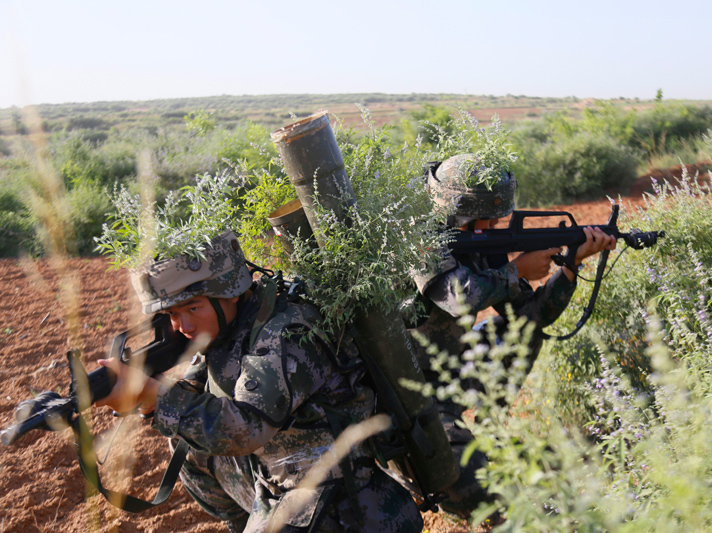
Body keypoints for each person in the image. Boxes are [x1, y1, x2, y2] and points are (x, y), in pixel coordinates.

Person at [95, 230, 423, 533]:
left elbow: (244, 430)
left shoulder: (283, 333)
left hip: (338, 500)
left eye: (191, 308)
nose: (181, 325)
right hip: (281, 473)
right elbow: (197, 394)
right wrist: (144, 396)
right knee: (190, 448)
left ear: (231, 291)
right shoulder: (233, 327)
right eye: (171, 315)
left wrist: (154, 398)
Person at [406, 153, 616, 518]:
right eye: (482, 218)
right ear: (455, 211)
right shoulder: (418, 241)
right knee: (474, 497)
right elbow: (459, 297)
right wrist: (514, 271)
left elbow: (533, 317)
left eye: (495, 217)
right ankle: (419, 469)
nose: (491, 225)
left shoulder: (480, 242)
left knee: (523, 334)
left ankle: (484, 437)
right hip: (403, 397)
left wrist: (572, 262)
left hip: (449, 373)